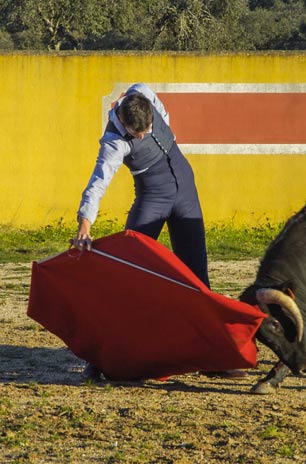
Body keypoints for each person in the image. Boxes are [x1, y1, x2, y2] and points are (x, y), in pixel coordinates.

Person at [73, 83, 246, 380]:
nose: (141, 136)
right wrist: (85, 223)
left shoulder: (143, 94)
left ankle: (212, 357)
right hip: (152, 198)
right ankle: (101, 357)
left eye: (146, 129)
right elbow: (98, 182)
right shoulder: (114, 141)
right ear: (124, 123)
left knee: (198, 278)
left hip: (186, 192)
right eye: (135, 133)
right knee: (127, 274)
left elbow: (139, 89)